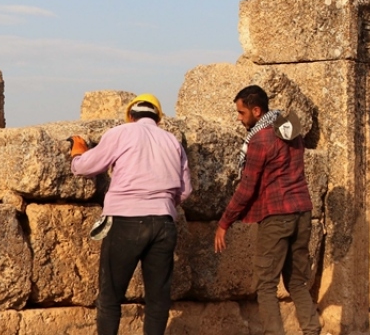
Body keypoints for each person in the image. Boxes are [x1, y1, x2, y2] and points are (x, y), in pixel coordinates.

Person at [68, 94, 191, 335]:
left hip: (126, 220)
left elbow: (86, 167)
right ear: (158, 118)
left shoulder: (121, 132)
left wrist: (78, 154)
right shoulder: (172, 141)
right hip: (164, 223)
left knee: (111, 296)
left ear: (131, 117)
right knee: (158, 299)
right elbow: (185, 191)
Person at [214, 85, 320, 335]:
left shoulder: (260, 139)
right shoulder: (291, 132)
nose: (239, 119)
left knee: (266, 285)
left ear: (256, 110)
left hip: (276, 215)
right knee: (296, 282)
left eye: (242, 113)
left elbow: (247, 187)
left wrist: (224, 223)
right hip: (302, 211)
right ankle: (312, 330)